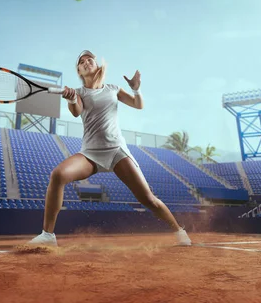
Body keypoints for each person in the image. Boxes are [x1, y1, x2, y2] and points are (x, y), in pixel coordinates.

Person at [27, 50, 192, 247]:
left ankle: (179, 231)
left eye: (90, 60)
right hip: (90, 154)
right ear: (79, 71)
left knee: (148, 199)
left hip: (117, 152)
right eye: (82, 62)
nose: (87, 62)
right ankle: (48, 235)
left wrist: (136, 90)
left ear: (96, 66)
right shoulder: (79, 93)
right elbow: (76, 111)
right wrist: (71, 98)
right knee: (58, 175)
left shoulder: (113, 89)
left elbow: (138, 105)